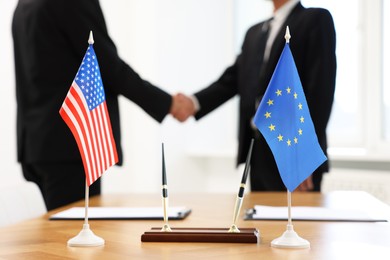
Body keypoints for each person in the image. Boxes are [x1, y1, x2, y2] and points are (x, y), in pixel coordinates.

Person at [12, 0, 184, 210]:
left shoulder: (25, 3)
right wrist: (168, 103)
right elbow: (106, 65)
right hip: (70, 144)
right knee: (75, 236)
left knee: (61, 236)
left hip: (36, 144)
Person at [173, 0, 336, 192]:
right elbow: (232, 80)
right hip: (258, 152)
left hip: (292, 151)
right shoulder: (254, 32)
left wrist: (305, 157)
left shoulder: (315, 19)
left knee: (297, 221)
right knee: (260, 219)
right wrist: (193, 103)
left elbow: (320, 91)